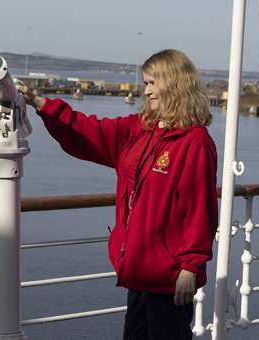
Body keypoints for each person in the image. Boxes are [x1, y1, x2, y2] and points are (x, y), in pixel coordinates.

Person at [17, 49, 218, 340]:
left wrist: (191, 266)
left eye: (152, 83)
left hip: (170, 275)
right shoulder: (139, 128)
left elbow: (200, 208)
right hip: (138, 267)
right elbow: (90, 131)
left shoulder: (194, 142)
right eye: (145, 83)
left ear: (174, 84)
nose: (146, 91)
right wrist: (42, 104)